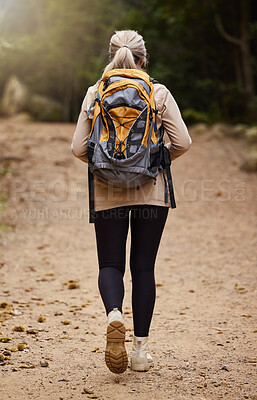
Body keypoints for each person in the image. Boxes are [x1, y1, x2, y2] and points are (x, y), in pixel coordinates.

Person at [71, 30, 192, 373]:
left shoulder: (96, 92)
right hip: (150, 191)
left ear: (111, 56)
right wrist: (153, 160)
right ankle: (140, 351)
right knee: (143, 269)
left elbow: (79, 148)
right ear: (143, 58)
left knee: (110, 265)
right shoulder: (158, 91)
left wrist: (106, 166)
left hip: (106, 190)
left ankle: (114, 315)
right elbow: (183, 141)